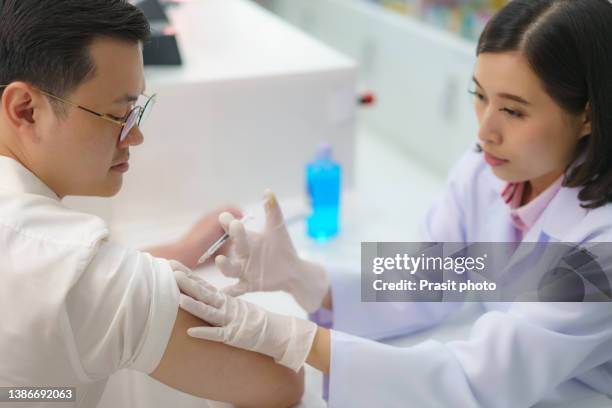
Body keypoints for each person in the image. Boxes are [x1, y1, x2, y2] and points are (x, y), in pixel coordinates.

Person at [175, 0, 612, 406]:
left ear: (588, 115)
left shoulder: (601, 244)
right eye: (479, 97)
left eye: (514, 111)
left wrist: (298, 340)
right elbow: (435, 274)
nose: (484, 131)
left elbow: (480, 377)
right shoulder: (488, 168)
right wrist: (305, 278)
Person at [0, 1, 304, 407]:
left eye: (138, 110)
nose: (135, 136)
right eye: (118, 115)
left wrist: (177, 255)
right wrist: (305, 286)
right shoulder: (85, 275)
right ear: (26, 109)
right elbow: (281, 380)